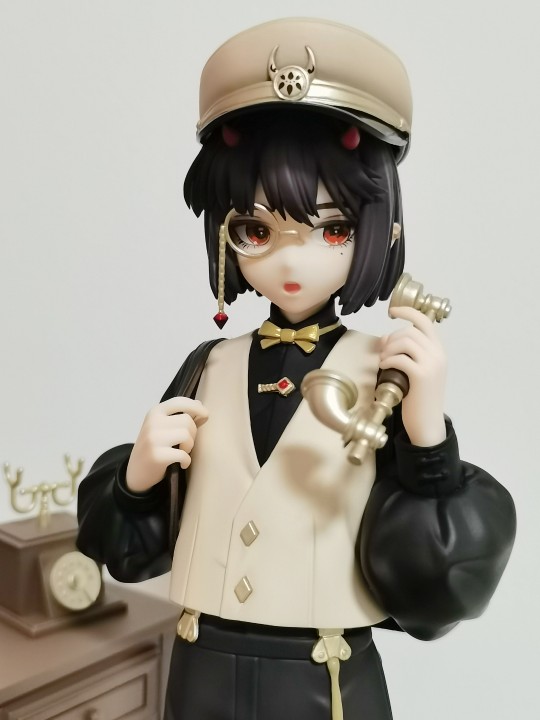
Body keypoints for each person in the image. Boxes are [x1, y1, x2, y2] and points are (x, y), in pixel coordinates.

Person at [77, 18, 516, 720]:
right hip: (200, 665)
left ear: (380, 231)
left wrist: (428, 437)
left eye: (332, 229)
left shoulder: (388, 370)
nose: (291, 259)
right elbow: (126, 552)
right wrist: (138, 478)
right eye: (256, 230)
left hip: (324, 678)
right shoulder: (209, 365)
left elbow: (436, 586)